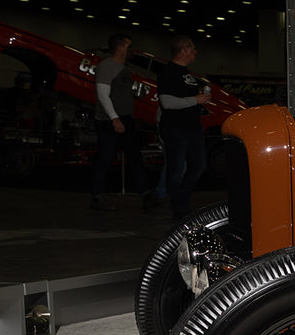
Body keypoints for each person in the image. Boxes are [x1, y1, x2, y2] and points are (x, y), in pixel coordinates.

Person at [90, 33, 152, 211]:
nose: (131, 50)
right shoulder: (107, 67)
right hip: (109, 120)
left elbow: (117, 92)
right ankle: (97, 196)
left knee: (134, 156)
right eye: (128, 46)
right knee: (105, 157)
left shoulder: (122, 67)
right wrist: (114, 118)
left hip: (124, 118)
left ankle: (145, 193)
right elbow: (102, 94)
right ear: (119, 48)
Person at [157, 35, 212, 219]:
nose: (196, 52)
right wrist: (195, 100)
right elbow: (166, 102)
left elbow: (184, 100)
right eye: (193, 48)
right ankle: (178, 206)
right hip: (175, 128)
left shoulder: (187, 74)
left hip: (193, 127)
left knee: (198, 165)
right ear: (184, 50)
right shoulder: (168, 72)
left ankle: (182, 199)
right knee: (176, 167)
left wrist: (198, 102)